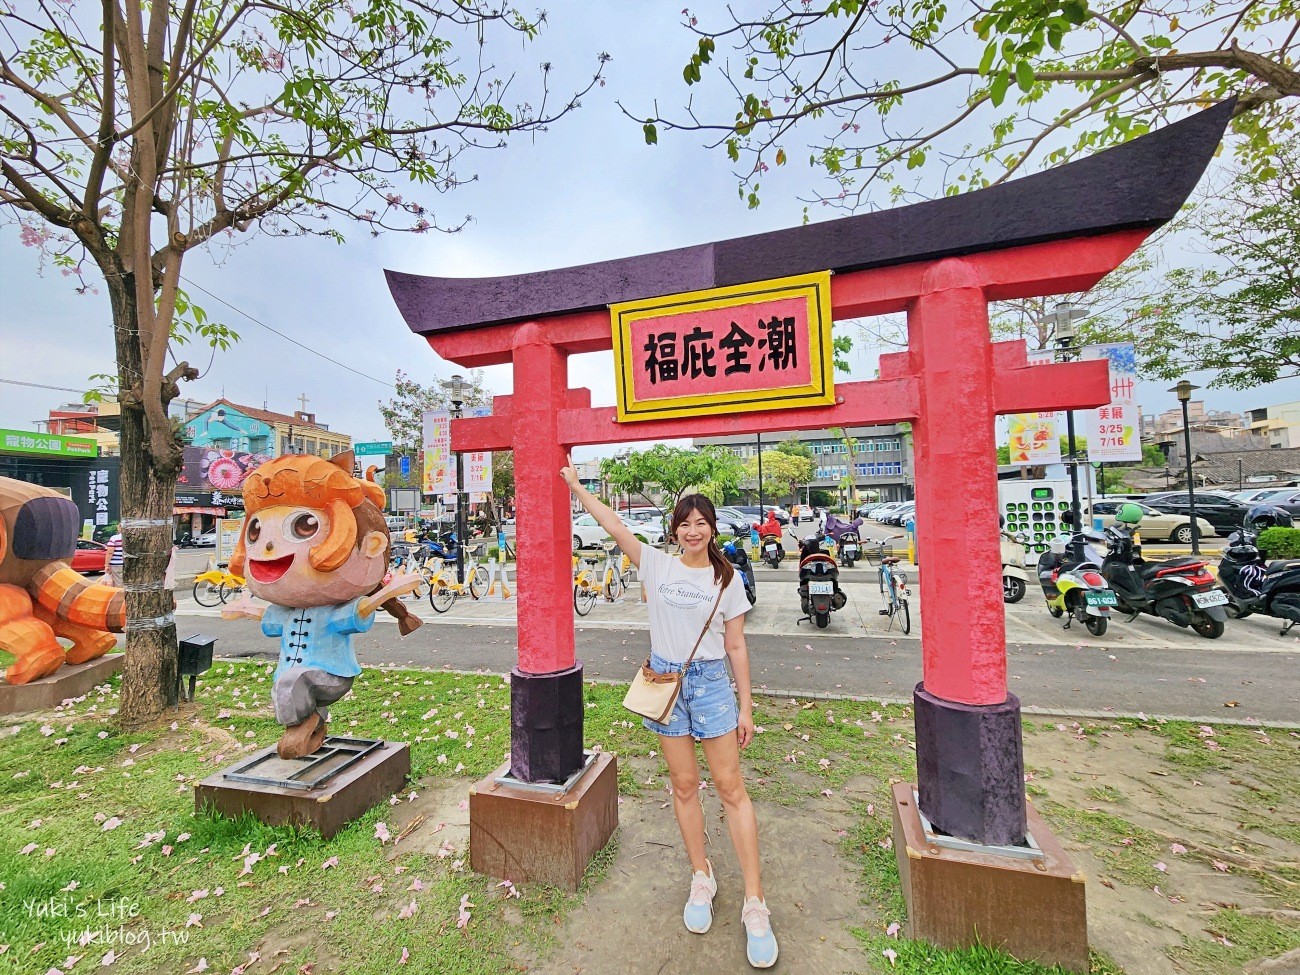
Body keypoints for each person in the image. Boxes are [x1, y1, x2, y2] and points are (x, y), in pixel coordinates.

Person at [561, 463, 778, 969]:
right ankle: (701, 876)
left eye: (702, 522)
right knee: (684, 786)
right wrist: (576, 487)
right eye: (685, 523)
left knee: (730, 788)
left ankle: (754, 903)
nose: (693, 530)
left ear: (713, 528)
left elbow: (737, 644)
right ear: (674, 529)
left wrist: (746, 705)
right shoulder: (656, 564)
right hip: (665, 684)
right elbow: (615, 525)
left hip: (710, 686)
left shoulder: (727, 579)